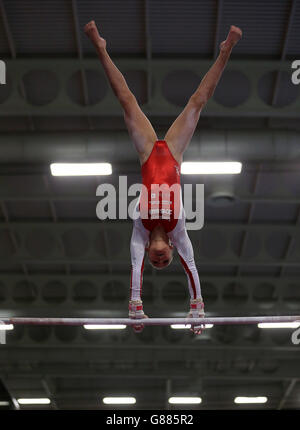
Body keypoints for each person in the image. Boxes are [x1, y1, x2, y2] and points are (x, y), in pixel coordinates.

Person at [84, 20, 242, 334]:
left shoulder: (140, 234)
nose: (157, 260)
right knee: (197, 102)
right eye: (164, 261)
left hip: (146, 154)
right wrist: (197, 306)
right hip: (173, 153)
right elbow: (192, 267)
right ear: (171, 248)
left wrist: (136, 307)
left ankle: (99, 47)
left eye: (154, 263)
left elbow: (134, 267)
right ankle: (226, 50)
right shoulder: (179, 228)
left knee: (127, 101)